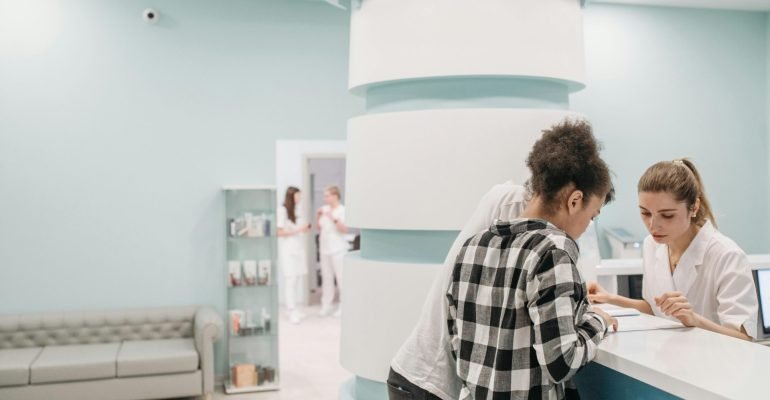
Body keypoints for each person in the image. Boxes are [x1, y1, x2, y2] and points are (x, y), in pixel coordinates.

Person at [388, 119, 617, 400]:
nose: (585, 228)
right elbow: (561, 361)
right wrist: (597, 321)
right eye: (591, 216)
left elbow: (460, 344)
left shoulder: (474, 245)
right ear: (574, 200)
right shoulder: (555, 249)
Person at [588, 159, 758, 340]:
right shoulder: (651, 245)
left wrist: (695, 320)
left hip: (713, 355)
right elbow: (654, 308)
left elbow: (744, 338)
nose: (653, 225)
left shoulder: (727, 256)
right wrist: (610, 298)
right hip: (668, 353)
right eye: (645, 213)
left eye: (667, 215)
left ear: (694, 207)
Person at [277, 186, 311, 324]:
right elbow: (279, 232)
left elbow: (303, 229)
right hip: (288, 250)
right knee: (290, 280)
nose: (300, 198)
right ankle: (291, 310)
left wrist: (305, 228)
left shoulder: (298, 210)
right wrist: (299, 230)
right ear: (291, 196)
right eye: (298, 195)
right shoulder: (282, 211)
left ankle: (294, 308)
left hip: (298, 249)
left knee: (296, 279)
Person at [317, 185, 348, 317]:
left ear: (335, 196)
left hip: (338, 249)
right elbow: (319, 228)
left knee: (341, 278)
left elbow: (344, 230)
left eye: (327, 195)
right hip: (325, 249)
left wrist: (333, 217)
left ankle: (343, 306)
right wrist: (318, 216)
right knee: (326, 278)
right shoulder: (324, 209)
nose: (325, 198)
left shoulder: (342, 210)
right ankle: (326, 305)